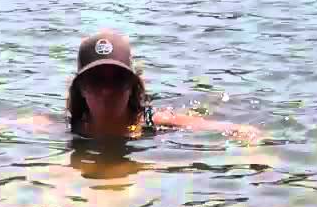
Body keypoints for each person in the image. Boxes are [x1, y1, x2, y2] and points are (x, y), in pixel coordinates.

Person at [65, 29, 260, 142]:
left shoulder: (153, 123)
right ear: (81, 88)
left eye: (117, 79)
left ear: (132, 86)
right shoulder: (72, 127)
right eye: (96, 80)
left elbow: (239, 129)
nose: (107, 91)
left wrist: (250, 143)